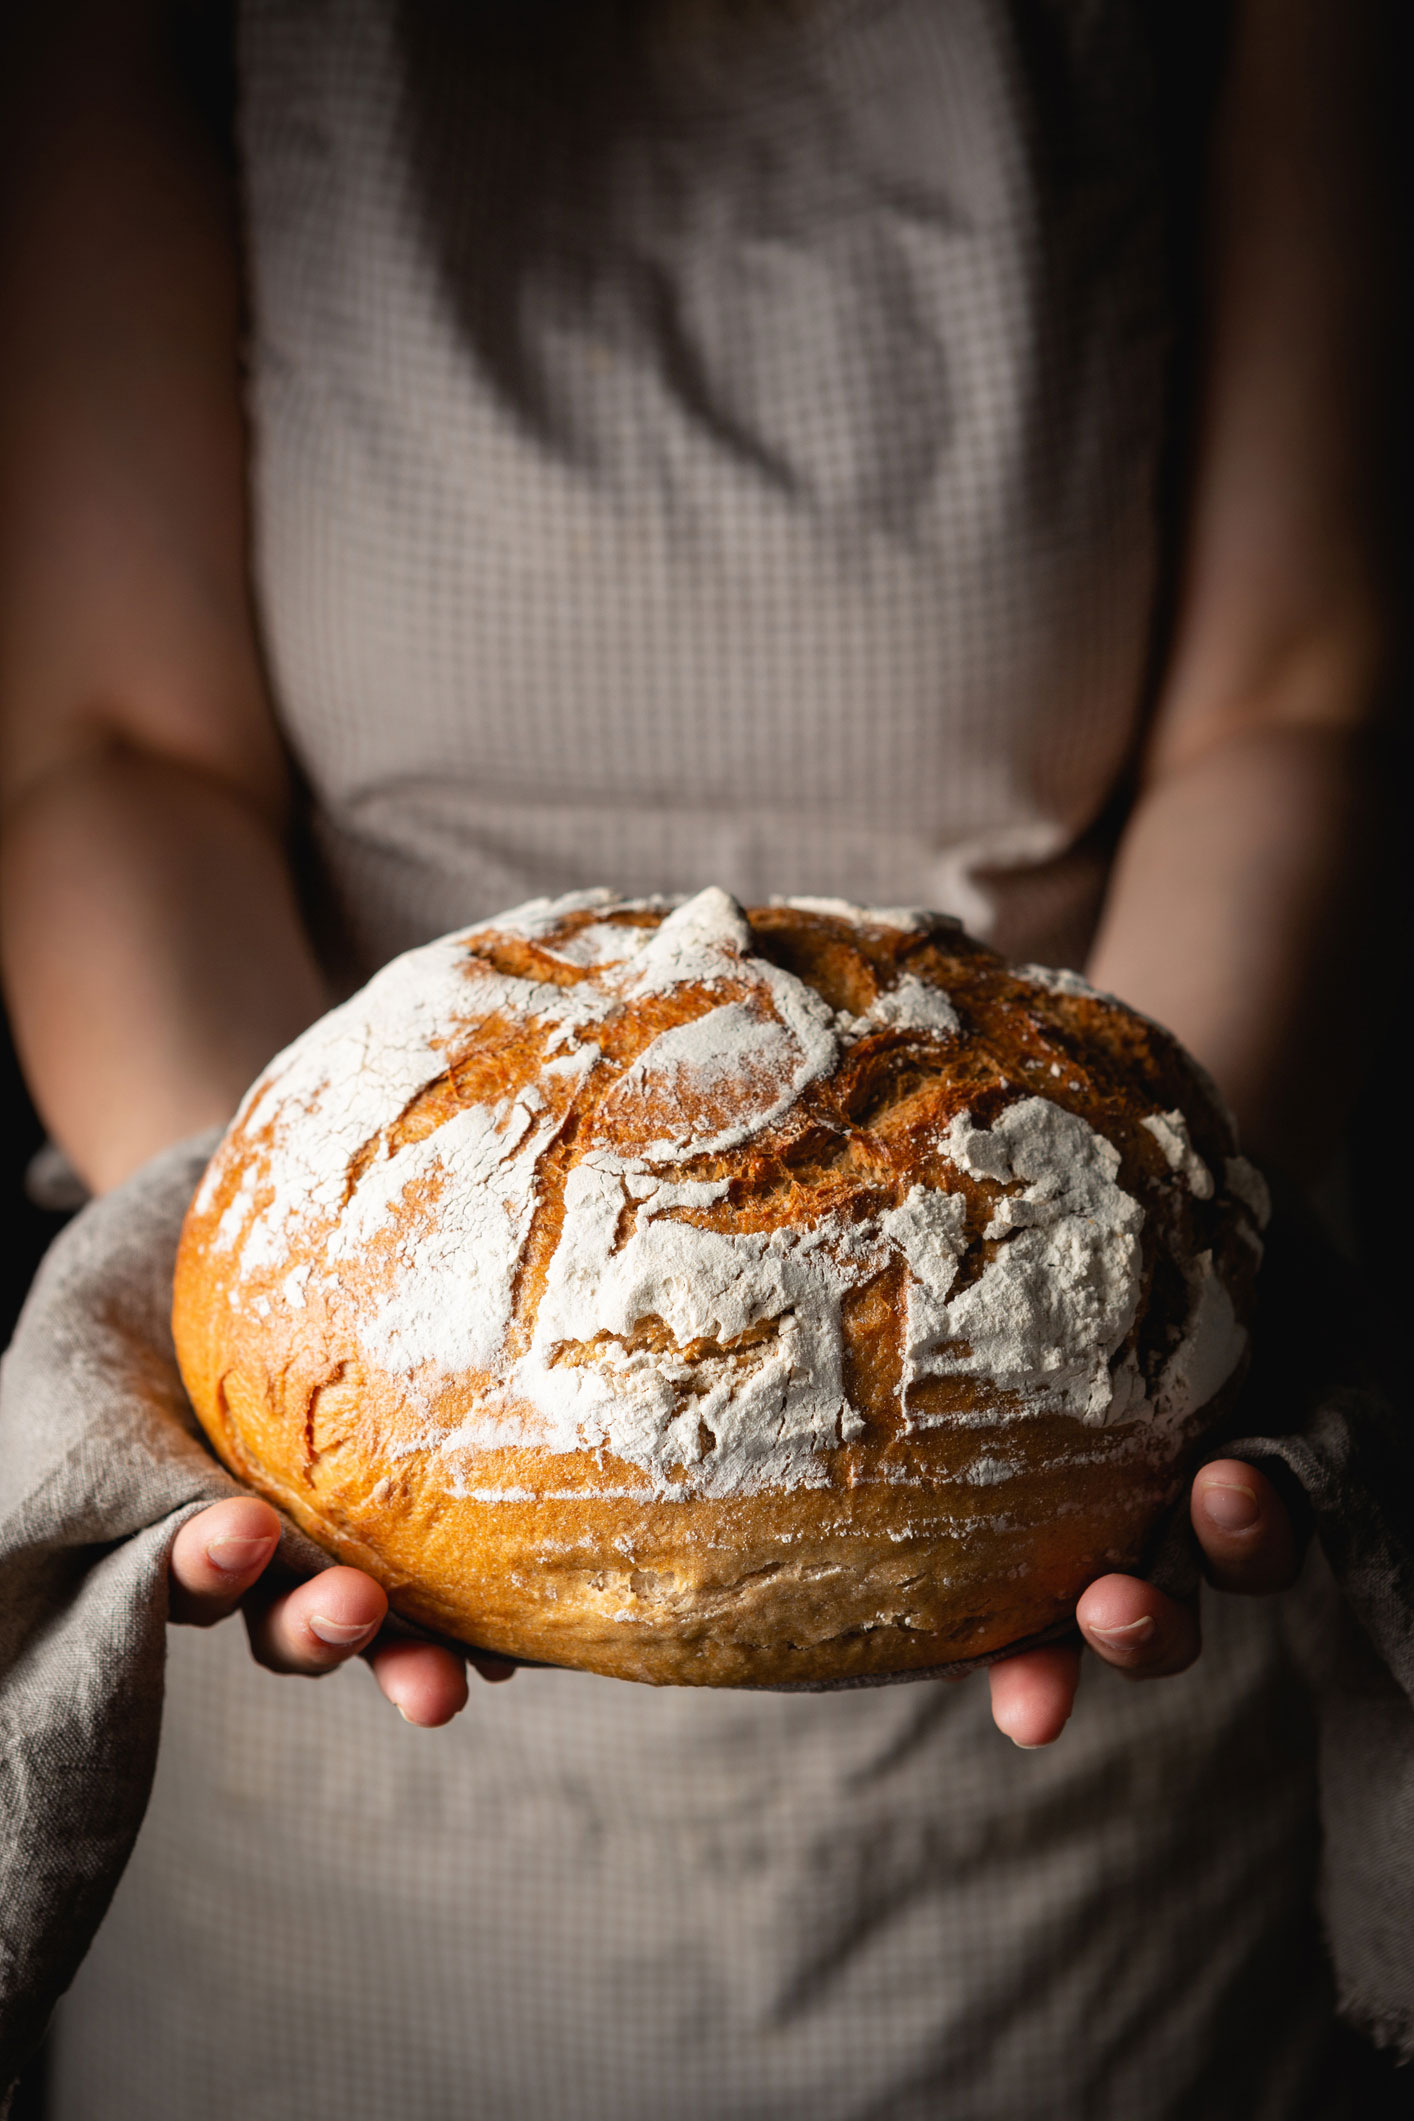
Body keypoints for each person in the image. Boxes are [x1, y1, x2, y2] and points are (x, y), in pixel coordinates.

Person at [0, 0, 1392, 2113]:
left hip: (1075, 1815)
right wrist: (311, 1342)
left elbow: (1286, 696)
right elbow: (116, 747)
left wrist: (1137, 1307)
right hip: (315, 1846)